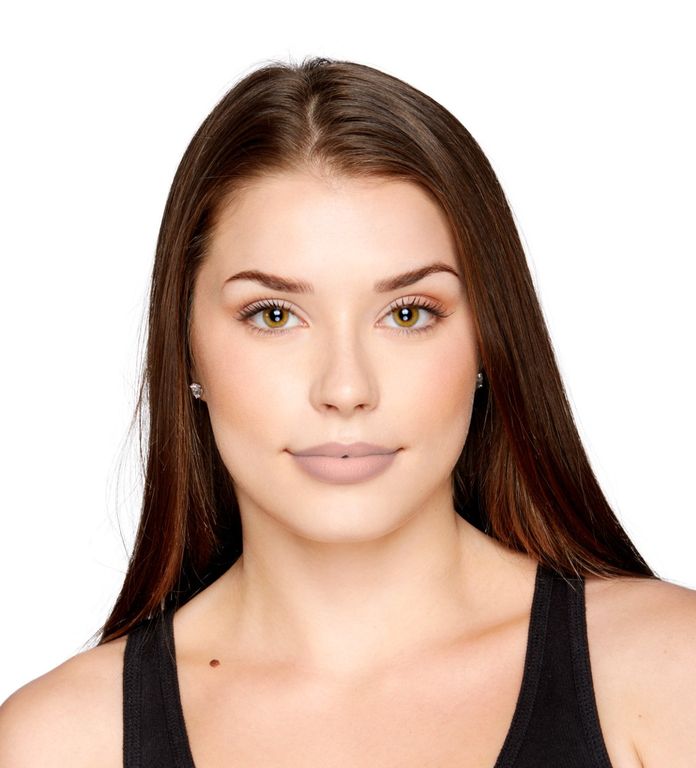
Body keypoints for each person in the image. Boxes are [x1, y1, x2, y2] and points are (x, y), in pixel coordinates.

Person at [1, 55, 694, 767]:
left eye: (407, 313)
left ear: (488, 340)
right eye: (274, 314)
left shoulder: (669, 675)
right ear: (187, 350)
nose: (345, 387)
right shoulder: (60, 743)